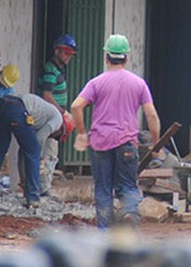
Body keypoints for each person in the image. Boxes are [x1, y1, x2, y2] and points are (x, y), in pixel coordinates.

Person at [71, 34, 160, 228]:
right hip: (126, 143)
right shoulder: (138, 83)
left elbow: (76, 106)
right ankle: (129, 214)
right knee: (128, 187)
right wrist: (156, 143)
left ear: (106, 58)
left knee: (103, 190)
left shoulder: (96, 83)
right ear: (126, 58)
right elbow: (152, 116)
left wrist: (81, 133)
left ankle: (105, 235)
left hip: (100, 143)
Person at [37, 34, 78, 191]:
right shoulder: (50, 70)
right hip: (51, 117)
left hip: (55, 116)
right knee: (49, 152)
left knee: (52, 152)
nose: (68, 57)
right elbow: (47, 96)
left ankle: (44, 187)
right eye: (65, 53)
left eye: (70, 54)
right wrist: (62, 112)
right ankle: (43, 188)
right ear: (57, 51)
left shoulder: (57, 70)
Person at [0, 74, 41, 207]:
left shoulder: (9, 92)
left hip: (4, 109)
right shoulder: (56, 119)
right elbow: (38, 139)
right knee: (33, 150)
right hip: (16, 109)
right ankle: (33, 196)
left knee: (1, 149)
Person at [19, 93, 73, 196]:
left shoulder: (42, 119)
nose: (53, 137)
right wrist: (39, 159)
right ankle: (33, 189)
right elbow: (38, 140)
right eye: (57, 136)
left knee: (24, 150)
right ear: (61, 129)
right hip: (23, 109)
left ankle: (26, 184)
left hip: (20, 107)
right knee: (32, 153)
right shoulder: (58, 120)